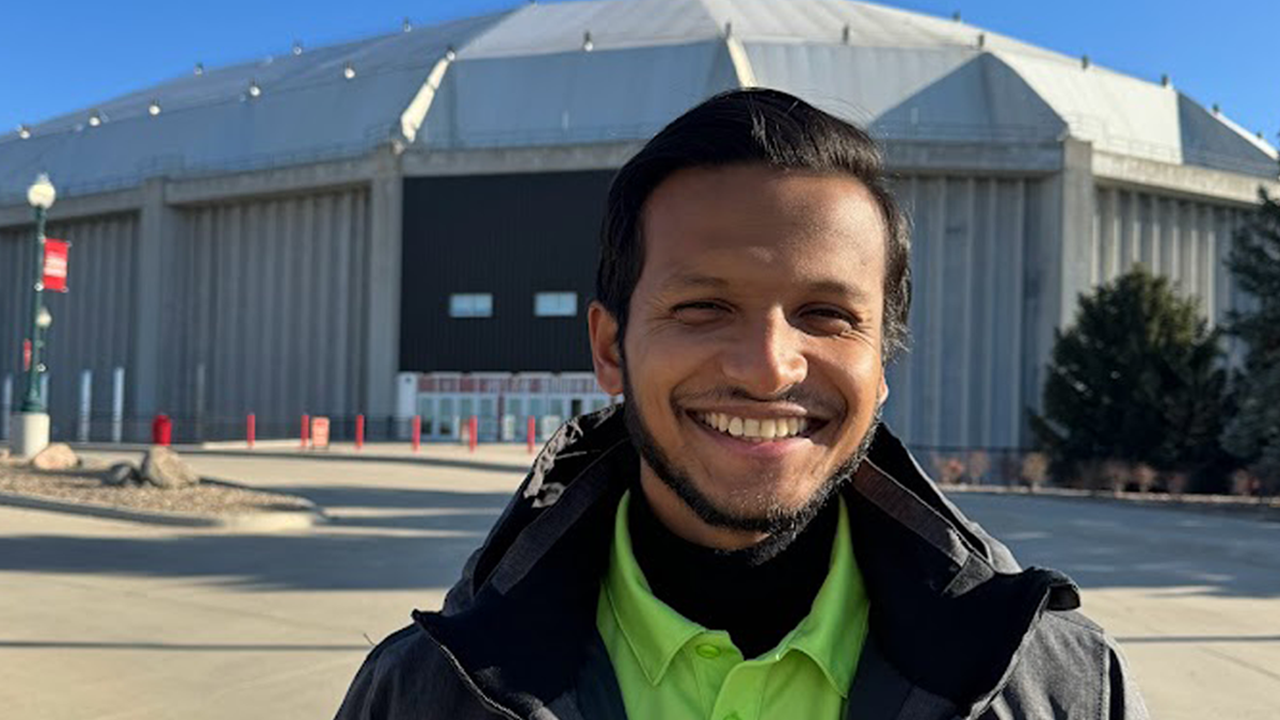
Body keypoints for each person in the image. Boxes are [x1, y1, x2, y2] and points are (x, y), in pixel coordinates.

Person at [335, 88, 1148, 720]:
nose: (767, 369)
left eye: (826, 316)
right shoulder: (423, 693)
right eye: (703, 308)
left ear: (880, 362)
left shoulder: (1061, 689)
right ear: (610, 347)